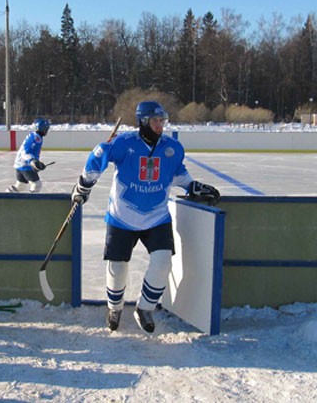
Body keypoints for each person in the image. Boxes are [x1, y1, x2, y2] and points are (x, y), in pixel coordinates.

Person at [71, 101, 220, 333]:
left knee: (162, 263)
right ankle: (115, 307)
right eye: (155, 121)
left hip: (157, 217)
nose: (160, 126)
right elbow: (99, 154)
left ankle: (145, 308)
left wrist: (193, 186)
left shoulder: (172, 147)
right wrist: (84, 185)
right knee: (117, 268)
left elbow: (177, 173)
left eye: (162, 121)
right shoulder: (124, 143)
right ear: (143, 121)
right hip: (122, 216)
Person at [7, 118, 50, 193]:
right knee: (36, 185)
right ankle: (31, 203)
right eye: (46, 128)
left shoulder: (35, 136)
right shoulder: (36, 138)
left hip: (20, 164)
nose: (47, 130)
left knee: (21, 185)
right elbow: (25, 153)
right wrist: (33, 161)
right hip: (25, 166)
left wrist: (36, 162)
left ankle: (6, 197)